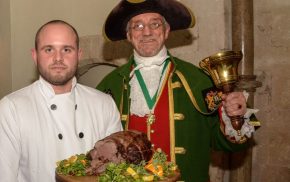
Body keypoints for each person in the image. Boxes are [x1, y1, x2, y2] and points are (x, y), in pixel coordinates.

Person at [97, 0, 258, 181]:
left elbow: (228, 143)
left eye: (155, 24)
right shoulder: (110, 85)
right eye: (138, 26)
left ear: (166, 31)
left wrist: (235, 115)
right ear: (128, 35)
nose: (147, 32)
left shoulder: (197, 79)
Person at [0, 20, 122, 182]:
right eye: (48, 49)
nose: (58, 58)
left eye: (66, 49)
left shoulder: (104, 104)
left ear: (79, 55)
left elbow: (117, 173)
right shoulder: (11, 108)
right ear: (35, 56)